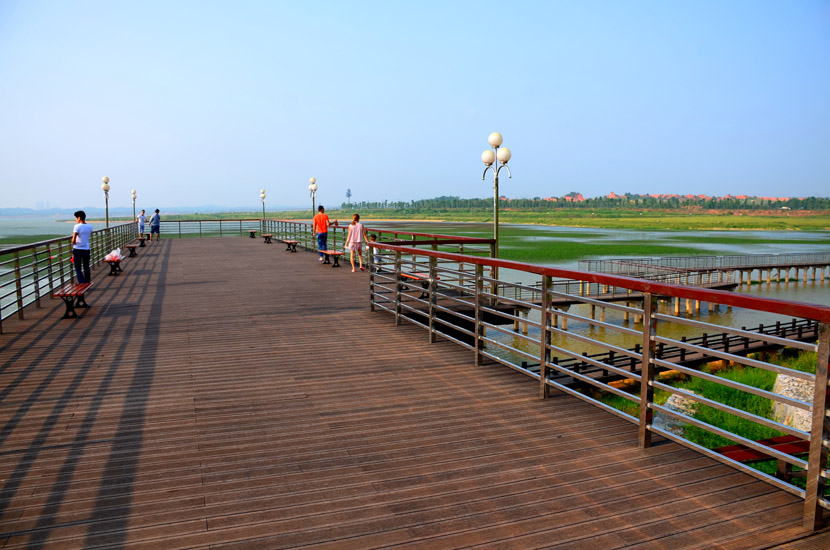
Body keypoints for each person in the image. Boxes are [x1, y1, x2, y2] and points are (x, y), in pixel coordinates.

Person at [71, 210, 93, 284]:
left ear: (79, 218)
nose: (76, 220)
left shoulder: (77, 226)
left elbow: (73, 239)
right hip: (86, 248)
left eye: (76, 218)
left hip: (77, 249)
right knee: (86, 266)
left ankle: (82, 282)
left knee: (78, 267)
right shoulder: (90, 226)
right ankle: (87, 281)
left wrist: (73, 243)